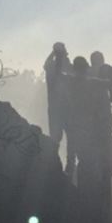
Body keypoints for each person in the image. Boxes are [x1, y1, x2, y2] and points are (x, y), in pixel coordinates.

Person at [67, 56, 112, 223]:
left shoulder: (70, 82)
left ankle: (86, 197)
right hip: (94, 130)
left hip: (81, 129)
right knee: (107, 161)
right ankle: (97, 196)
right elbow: (110, 85)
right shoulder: (92, 83)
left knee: (87, 163)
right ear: (85, 68)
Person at [43, 42, 74, 175]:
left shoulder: (52, 66)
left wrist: (54, 53)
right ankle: (66, 165)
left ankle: (56, 165)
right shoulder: (65, 67)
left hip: (57, 109)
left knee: (57, 139)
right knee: (67, 138)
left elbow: (46, 64)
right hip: (66, 109)